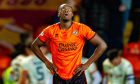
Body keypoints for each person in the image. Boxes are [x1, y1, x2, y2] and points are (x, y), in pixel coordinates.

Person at [31, 4, 107, 84]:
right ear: (59, 13)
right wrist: (46, 62)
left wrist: (87, 64)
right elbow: (34, 45)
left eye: (69, 10)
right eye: (63, 9)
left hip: (77, 75)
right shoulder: (50, 30)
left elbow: (102, 45)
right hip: (58, 75)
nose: (66, 11)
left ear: (72, 14)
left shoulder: (81, 28)